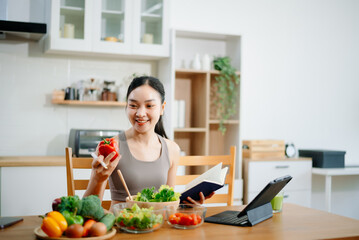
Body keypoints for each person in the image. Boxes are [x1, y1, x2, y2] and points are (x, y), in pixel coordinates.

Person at [84, 76, 213, 208]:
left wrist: (190, 205)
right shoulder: (110, 147)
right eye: (133, 105)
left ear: (162, 108)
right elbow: (88, 208)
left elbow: (169, 205)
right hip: (122, 224)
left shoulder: (172, 149)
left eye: (149, 106)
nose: (140, 113)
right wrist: (97, 179)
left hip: (158, 225)